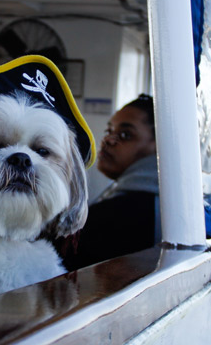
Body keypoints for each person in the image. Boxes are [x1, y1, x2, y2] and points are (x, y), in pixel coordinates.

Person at [60, 94, 160, 270]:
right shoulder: (160, 199)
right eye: (109, 131)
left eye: (125, 135)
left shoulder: (124, 214)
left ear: (159, 146)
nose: (108, 140)